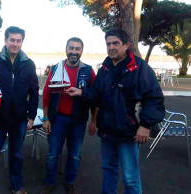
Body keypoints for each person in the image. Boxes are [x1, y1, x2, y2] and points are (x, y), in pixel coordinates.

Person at [67, 29, 165, 194]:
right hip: (107, 132)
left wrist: (146, 125)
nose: (111, 47)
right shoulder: (104, 69)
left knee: (130, 178)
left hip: (128, 133)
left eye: (115, 43)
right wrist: (81, 92)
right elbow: (96, 93)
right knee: (108, 171)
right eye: (108, 44)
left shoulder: (140, 69)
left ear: (126, 45)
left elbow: (154, 99)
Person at [0, 26, 39, 194]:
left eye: (18, 40)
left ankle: (17, 187)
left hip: (19, 120)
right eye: (12, 40)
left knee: (17, 156)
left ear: (22, 41)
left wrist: (31, 115)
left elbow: (34, 92)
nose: (15, 44)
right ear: (5, 40)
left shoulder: (28, 64)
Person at [41, 37, 97, 194]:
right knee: (52, 154)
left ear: (81, 51)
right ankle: (50, 182)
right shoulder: (56, 68)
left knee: (74, 155)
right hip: (57, 119)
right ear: (66, 49)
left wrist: (93, 120)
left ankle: (70, 182)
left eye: (77, 48)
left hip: (78, 121)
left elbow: (94, 96)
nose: (74, 51)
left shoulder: (88, 70)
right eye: (71, 48)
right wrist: (46, 118)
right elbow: (46, 94)